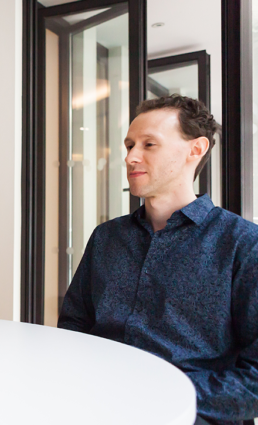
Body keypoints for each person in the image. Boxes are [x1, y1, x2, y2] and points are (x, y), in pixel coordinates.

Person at [57, 95, 258, 425]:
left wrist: (162, 396)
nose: (131, 157)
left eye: (149, 144)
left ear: (196, 150)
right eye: (129, 145)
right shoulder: (106, 237)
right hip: (95, 407)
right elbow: (74, 327)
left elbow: (254, 381)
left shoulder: (243, 244)